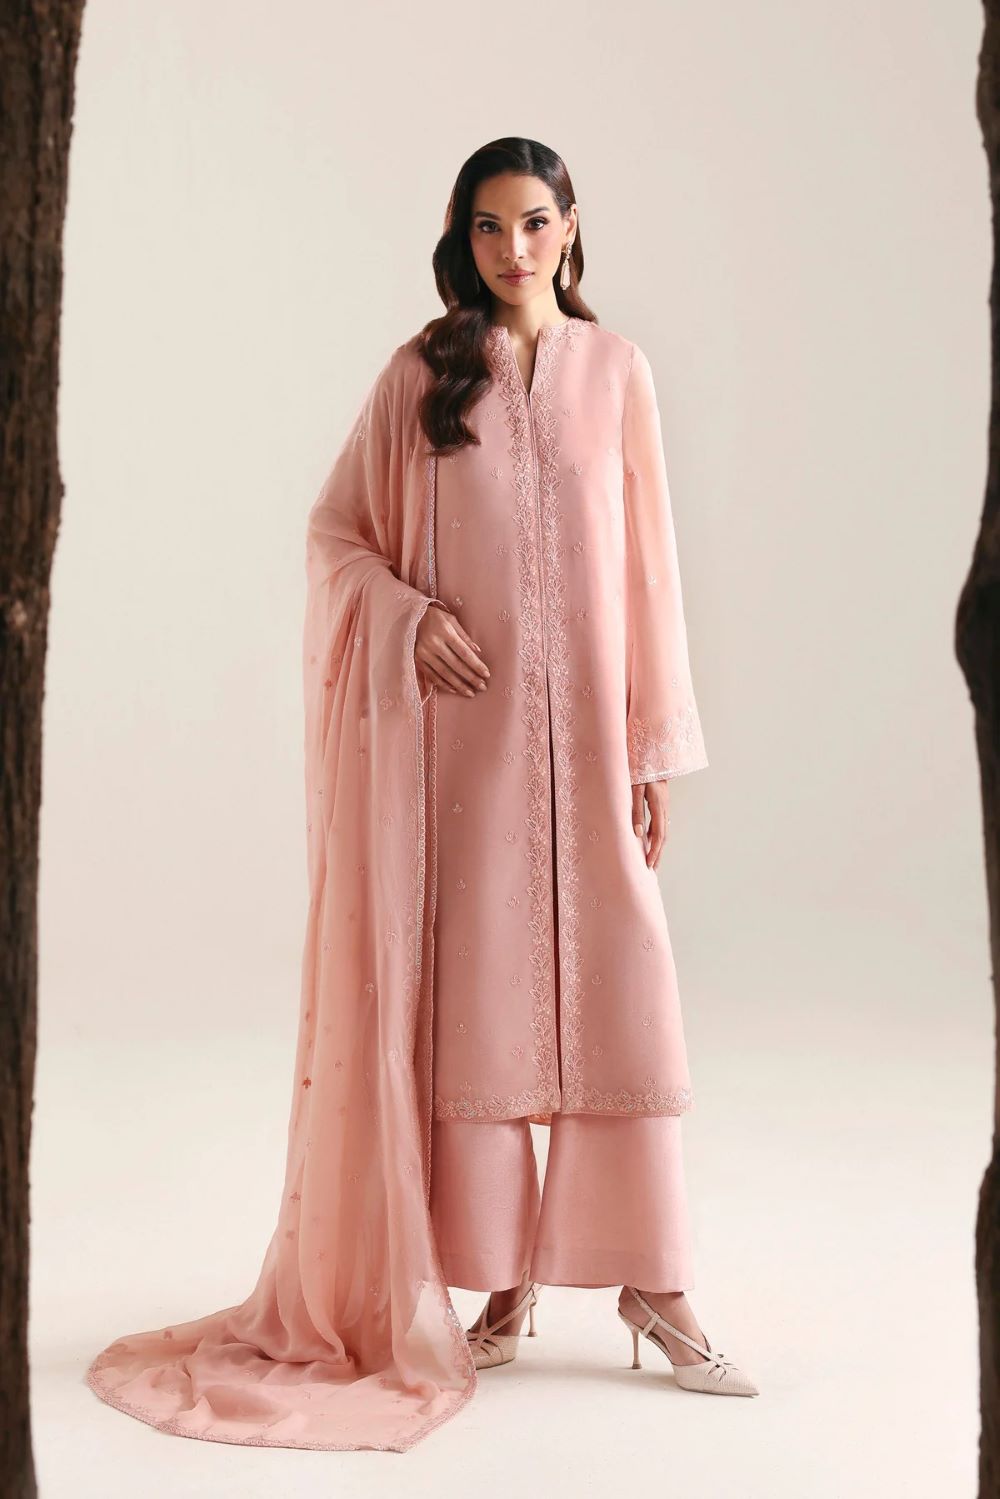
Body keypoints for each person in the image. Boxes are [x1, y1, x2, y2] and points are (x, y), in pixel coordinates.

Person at [85, 136, 756, 1459]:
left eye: (536, 222)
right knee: (488, 1010)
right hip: (463, 758)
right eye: (490, 226)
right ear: (463, 235)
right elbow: (335, 534)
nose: (515, 248)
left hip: (590, 751)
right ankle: (498, 1287)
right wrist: (404, 617)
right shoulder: (421, 375)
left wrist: (650, 754)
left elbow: (651, 573)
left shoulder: (618, 374)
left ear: (573, 225)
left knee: (621, 1000)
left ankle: (655, 1290)